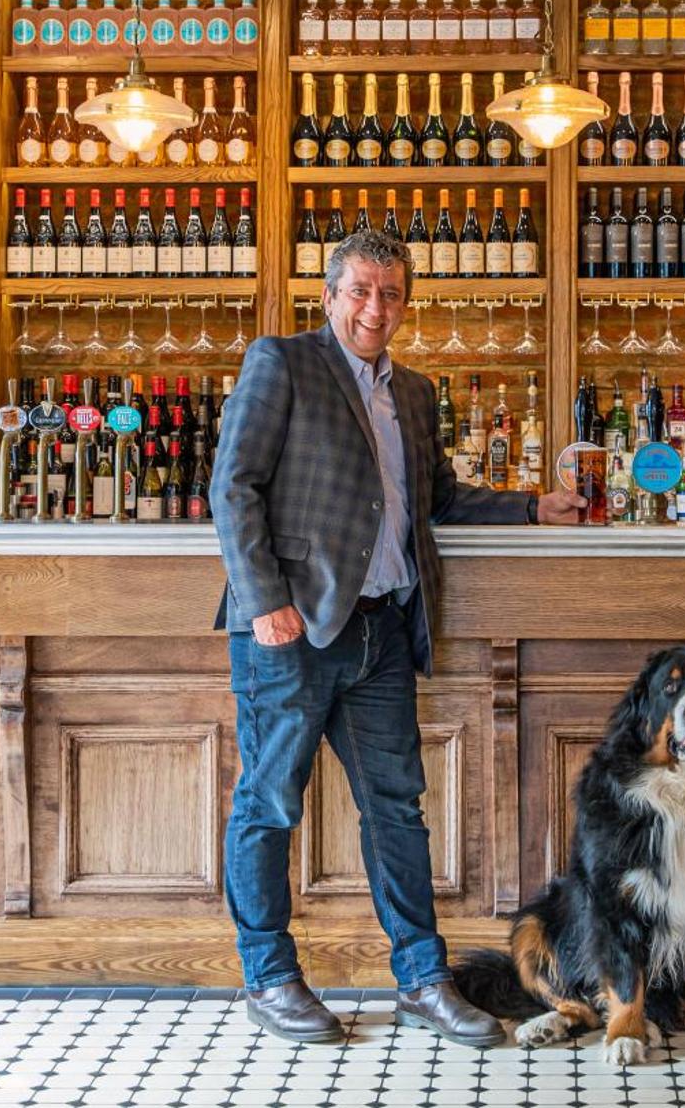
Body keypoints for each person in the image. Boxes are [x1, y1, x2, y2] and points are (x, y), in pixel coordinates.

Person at [212, 227, 585, 1047]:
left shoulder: (414, 392)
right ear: (330, 296)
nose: (374, 307)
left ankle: (422, 978)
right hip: (293, 628)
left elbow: (437, 500)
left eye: (389, 294)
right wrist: (262, 597)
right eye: (360, 291)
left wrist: (530, 504)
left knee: (397, 811)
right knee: (269, 801)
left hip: (381, 629)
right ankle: (269, 976)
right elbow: (231, 483)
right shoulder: (283, 362)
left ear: (405, 303)